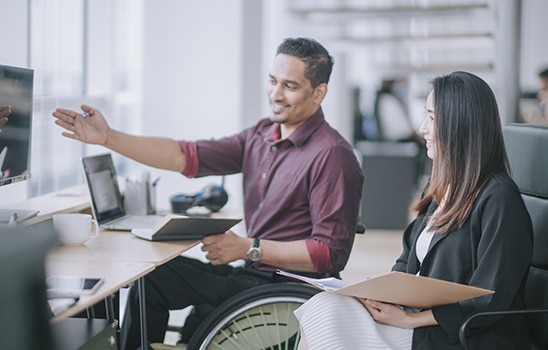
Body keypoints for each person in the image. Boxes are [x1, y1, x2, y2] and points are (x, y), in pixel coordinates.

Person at [52, 37, 364, 349]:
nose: (275, 94)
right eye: (272, 81)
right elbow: (182, 155)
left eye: (290, 86)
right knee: (152, 275)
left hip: (282, 290)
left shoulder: (332, 155)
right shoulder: (261, 135)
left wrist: (249, 248)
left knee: (156, 284)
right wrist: (108, 137)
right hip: (254, 274)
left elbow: (328, 253)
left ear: (318, 93)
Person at [294, 71, 533, 349]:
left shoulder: (499, 198)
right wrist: (377, 293)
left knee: (329, 319)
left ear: (460, 124)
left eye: (432, 117)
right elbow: (407, 262)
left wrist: (409, 320)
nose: (422, 128)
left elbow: (489, 297)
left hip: (461, 334)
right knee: (325, 304)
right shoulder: (441, 188)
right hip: (419, 319)